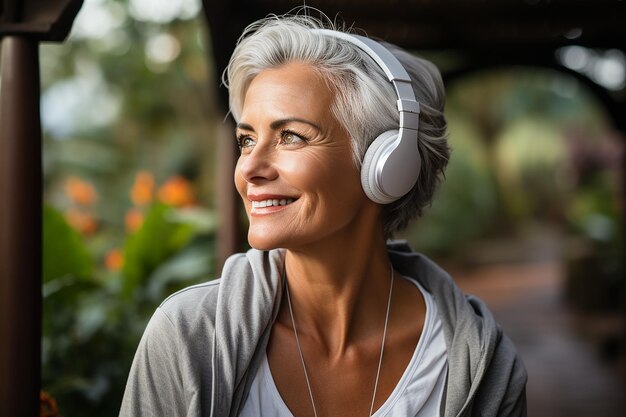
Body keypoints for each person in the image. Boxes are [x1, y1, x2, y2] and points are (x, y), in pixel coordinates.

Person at [120, 13, 527, 417]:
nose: (248, 169)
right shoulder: (187, 338)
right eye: (247, 139)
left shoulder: (482, 366)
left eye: (290, 136)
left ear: (385, 165)